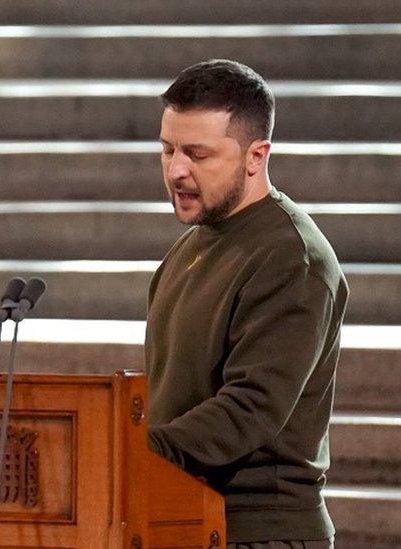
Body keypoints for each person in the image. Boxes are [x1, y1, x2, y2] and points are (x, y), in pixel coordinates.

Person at [146, 59, 348, 548]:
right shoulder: (198, 240)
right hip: (186, 514)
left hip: (259, 530)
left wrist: (130, 452)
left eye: (198, 153)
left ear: (257, 156)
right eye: (168, 148)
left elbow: (249, 409)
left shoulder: (292, 257)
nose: (176, 169)